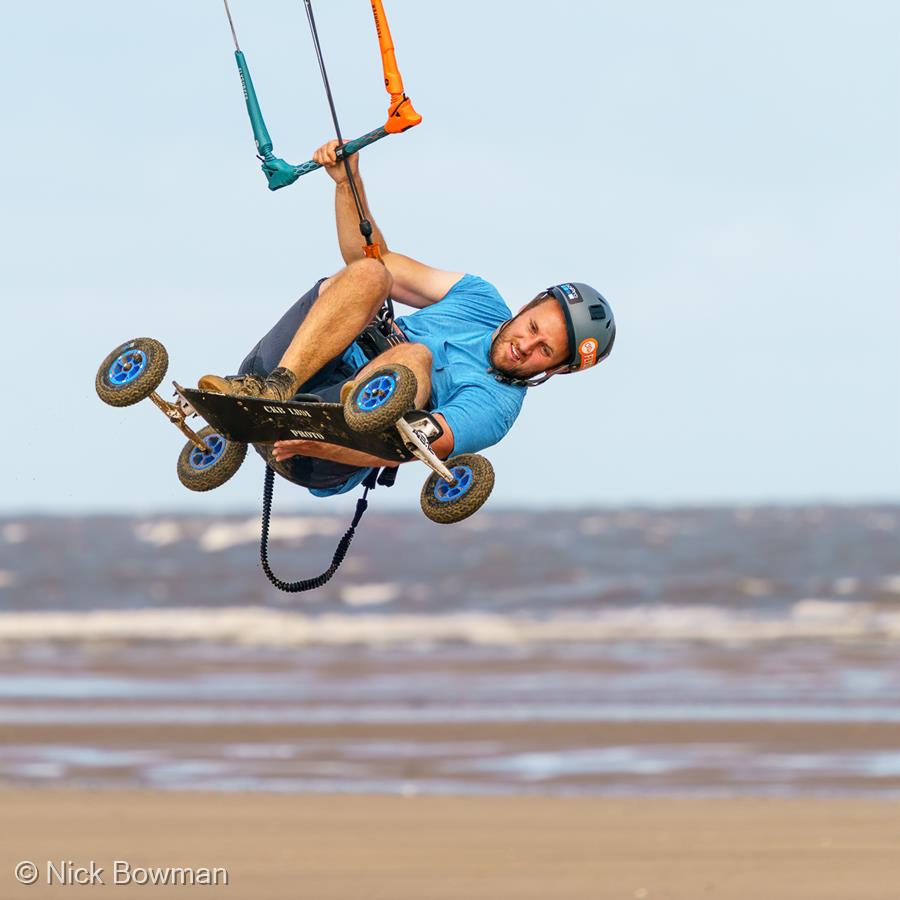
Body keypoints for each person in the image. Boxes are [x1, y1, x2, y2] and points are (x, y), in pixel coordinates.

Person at [199, 140, 616, 496]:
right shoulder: (479, 298)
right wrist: (348, 183)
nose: (525, 345)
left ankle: (308, 413)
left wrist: (318, 448)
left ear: (557, 368)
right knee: (370, 274)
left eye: (544, 350)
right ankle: (271, 388)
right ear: (526, 308)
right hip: (286, 374)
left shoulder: (497, 405)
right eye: (533, 328)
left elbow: (404, 450)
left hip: (320, 448)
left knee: (415, 357)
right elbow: (370, 261)